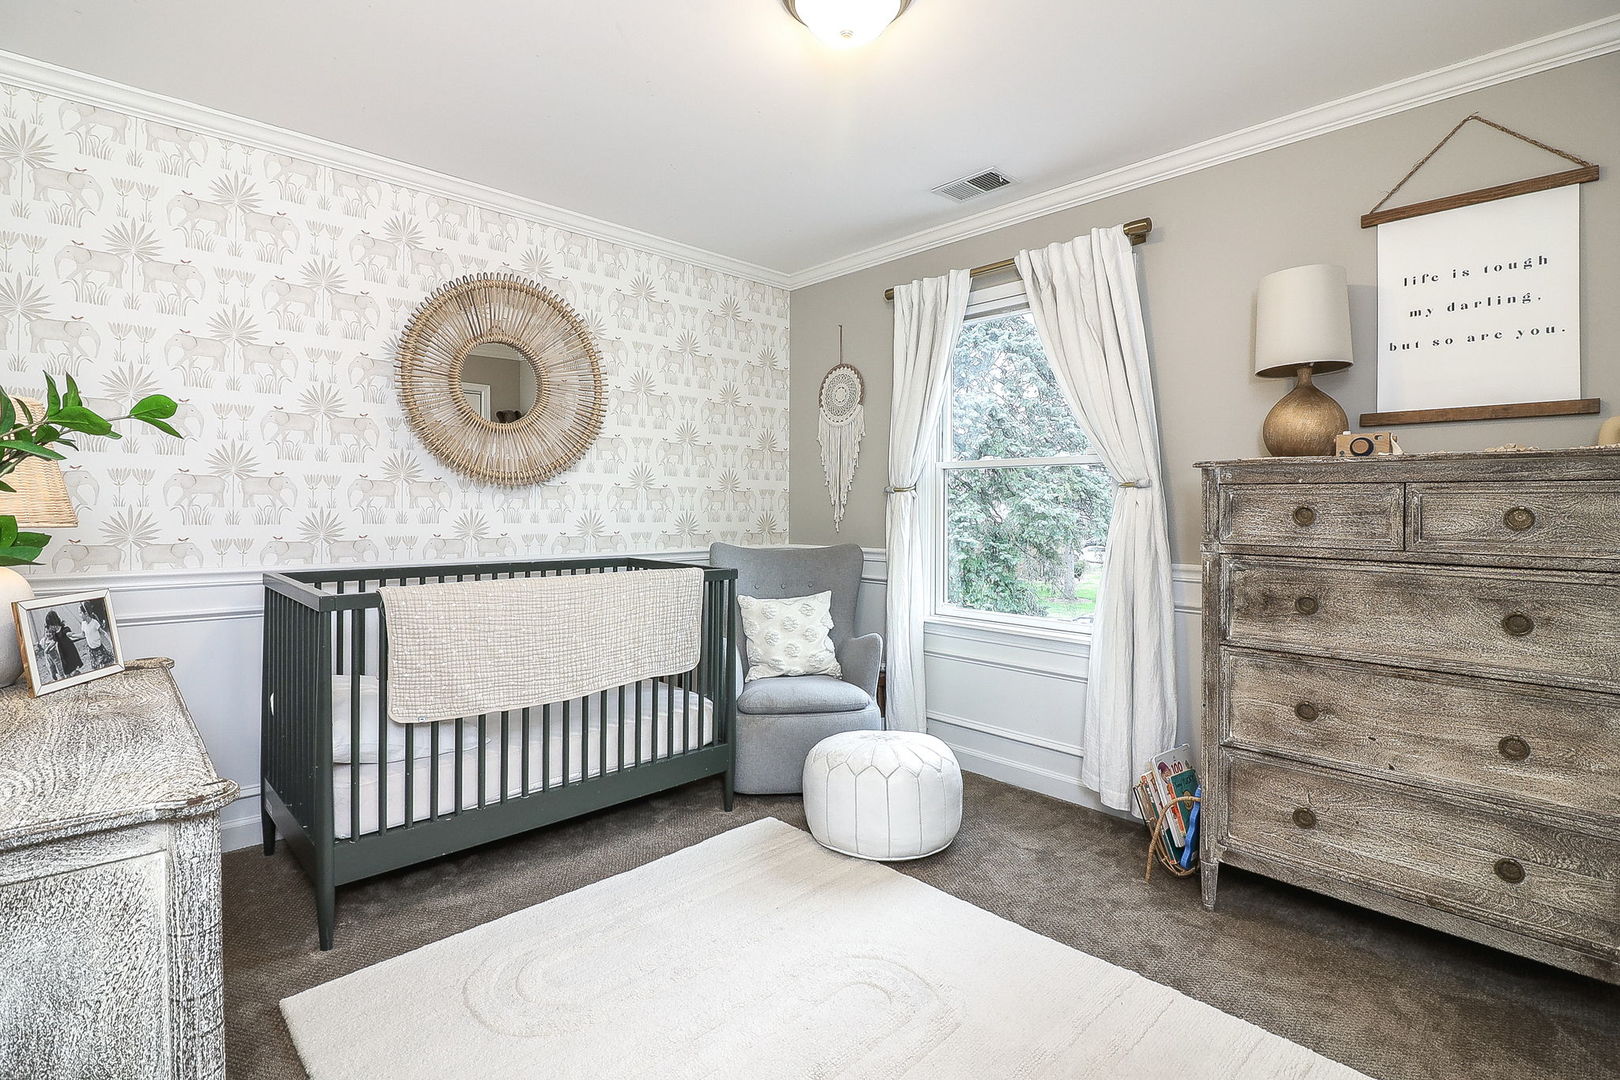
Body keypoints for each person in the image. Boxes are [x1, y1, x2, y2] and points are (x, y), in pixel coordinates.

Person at [43, 610, 83, 677]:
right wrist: (47, 648)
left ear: (54, 623)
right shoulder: (55, 633)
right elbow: (54, 641)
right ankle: (70, 675)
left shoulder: (64, 629)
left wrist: (79, 635)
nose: (50, 628)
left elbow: (70, 634)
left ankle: (77, 675)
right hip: (63, 653)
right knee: (67, 670)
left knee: (72, 667)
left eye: (51, 625)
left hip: (69, 651)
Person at [79, 602, 115, 669]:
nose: (79, 615)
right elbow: (82, 635)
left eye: (80, 613)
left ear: (86, 613)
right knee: (96, 668)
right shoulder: (83, 624)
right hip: (92, 651)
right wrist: (72, 636)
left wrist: (111, 643)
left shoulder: (94, 623)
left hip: (99, 649)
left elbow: (104, 633)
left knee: (105, 665)